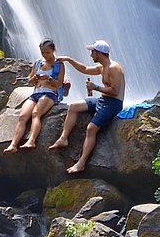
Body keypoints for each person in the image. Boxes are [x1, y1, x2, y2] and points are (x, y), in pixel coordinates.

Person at [48, 39, 125, 173]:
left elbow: (115, 91)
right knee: (73, 106)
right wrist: (68, 59)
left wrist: (95, 87)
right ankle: (63, 138)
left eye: (92, 52)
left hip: (113, 104)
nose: (90, 55)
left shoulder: (114, 68)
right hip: (102, 100)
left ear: (99, 53)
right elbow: (84, 69)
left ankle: (81, 162)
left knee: (91, 128)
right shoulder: (102, 67)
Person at [3, 39, 70, 153]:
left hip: (50, 93)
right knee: (23, 116)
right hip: (36, 93)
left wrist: (48, 78)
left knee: (36, 113)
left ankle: (31, 140)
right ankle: (13, 145)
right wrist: (33, 79)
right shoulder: (38, 63)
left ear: (53, 50)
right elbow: (30, 81)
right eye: (43, 52)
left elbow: (59, 84)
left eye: (47, 52)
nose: (45, 55)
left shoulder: (59, 65)